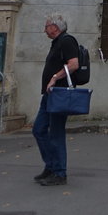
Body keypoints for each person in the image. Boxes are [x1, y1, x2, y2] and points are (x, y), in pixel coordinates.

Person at [34, 13, 81, 186]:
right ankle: (51, 166)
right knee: (38, 129)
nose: (44, 29)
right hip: (50, 94)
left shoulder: (67, 41)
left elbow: (74, 64)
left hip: (60, 93)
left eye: (46, 26)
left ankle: (60, 173)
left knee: (56, 133)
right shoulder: (56, 42)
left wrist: (54, 77)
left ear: (55, 27)